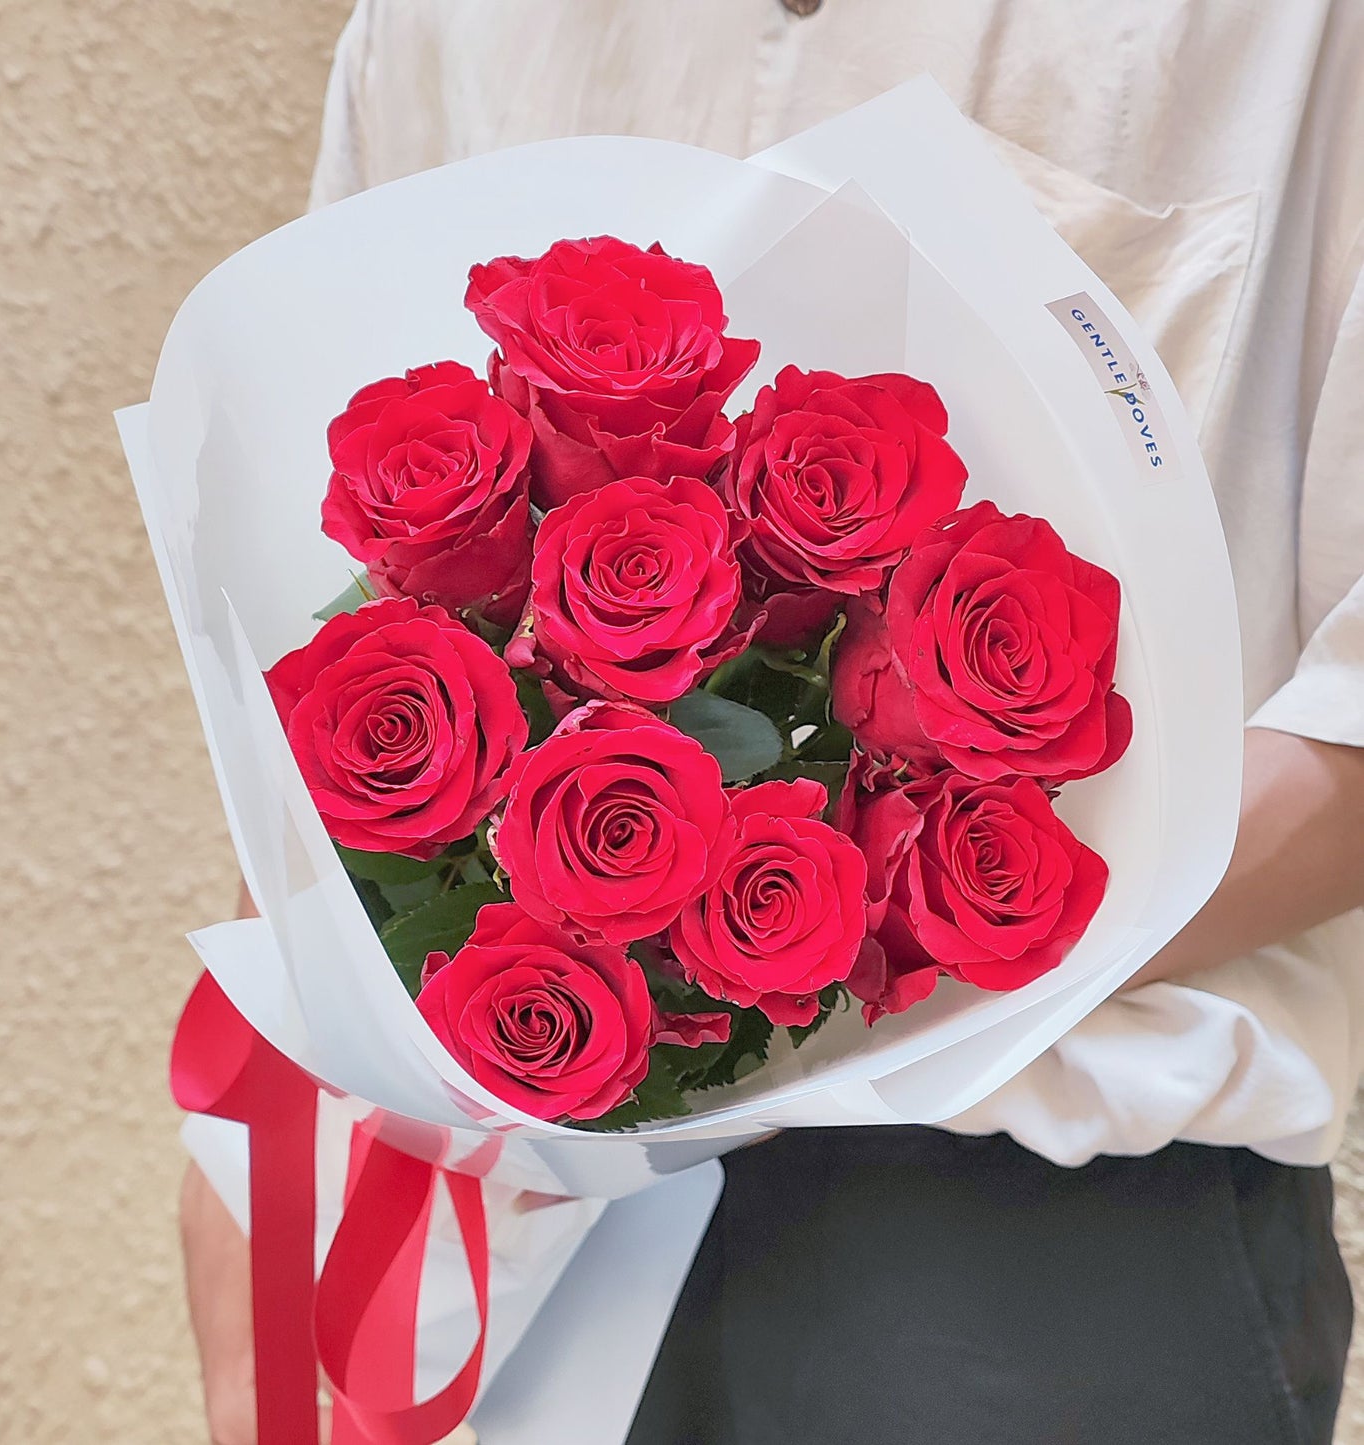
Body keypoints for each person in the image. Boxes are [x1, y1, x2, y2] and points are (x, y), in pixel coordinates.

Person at [180, 2, 1364, 1441]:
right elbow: (336, 630)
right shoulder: (447, 25)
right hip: (499, 1198)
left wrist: (790, 931)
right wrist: (263, 1170)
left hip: (1026, 1240)